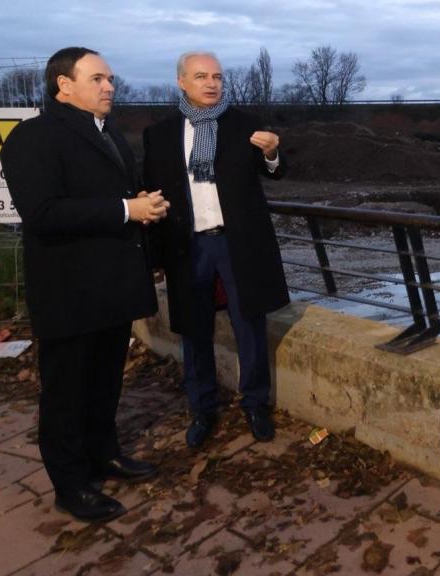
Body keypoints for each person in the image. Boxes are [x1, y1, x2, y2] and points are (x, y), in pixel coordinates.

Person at [0, 47, 169, 523]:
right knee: (66, 393)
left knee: (103, 384)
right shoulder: (32, 137)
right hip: (69, 290)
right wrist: (125, 210)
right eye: (97, 78)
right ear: (64, 86)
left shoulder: (106, 131)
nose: (110, 86)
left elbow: (100, 194)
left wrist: (136, 202)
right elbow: (43, 213)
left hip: (111, 287)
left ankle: (104, 456)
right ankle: (70, 486)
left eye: (110, 78)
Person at [142, 51, 289, 449]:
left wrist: (273, 152)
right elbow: (151, 192)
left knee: (250, 326)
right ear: (182, 82)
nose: (212, 83)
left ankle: (256, 404)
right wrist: (156, 256)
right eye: (202, 76)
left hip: (237, 244)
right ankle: (203, 408)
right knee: (193, 329)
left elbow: (273, 170)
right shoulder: (159, 133)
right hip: (187, 245)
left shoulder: (244, 125)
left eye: (218, 77)